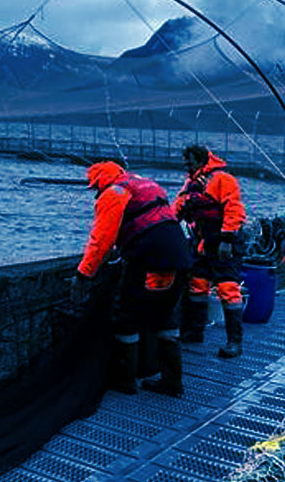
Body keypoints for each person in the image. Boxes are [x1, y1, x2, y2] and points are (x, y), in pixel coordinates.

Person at [76, 161, 192, 396]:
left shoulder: (114, 192)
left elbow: (102, 239)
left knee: (128, 317)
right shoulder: (146, 184)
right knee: (164, 316)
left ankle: (126, 380)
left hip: (149, 257)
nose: (96, 193)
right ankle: (172, 381)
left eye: (95, 188)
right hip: (179, 254)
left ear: (100, 181)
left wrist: (84, 274)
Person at [175, 145, 248, 358]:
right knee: (197, 284)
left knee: (227, 287)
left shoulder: (222, 179)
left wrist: (227, 240)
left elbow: (234, 209)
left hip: (223, 241)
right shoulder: (192, 183)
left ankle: (234, 341)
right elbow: (179, 207)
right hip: (202, 241)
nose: (186, 166)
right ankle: (195, 332)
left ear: (200, 161)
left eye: (189, 162)